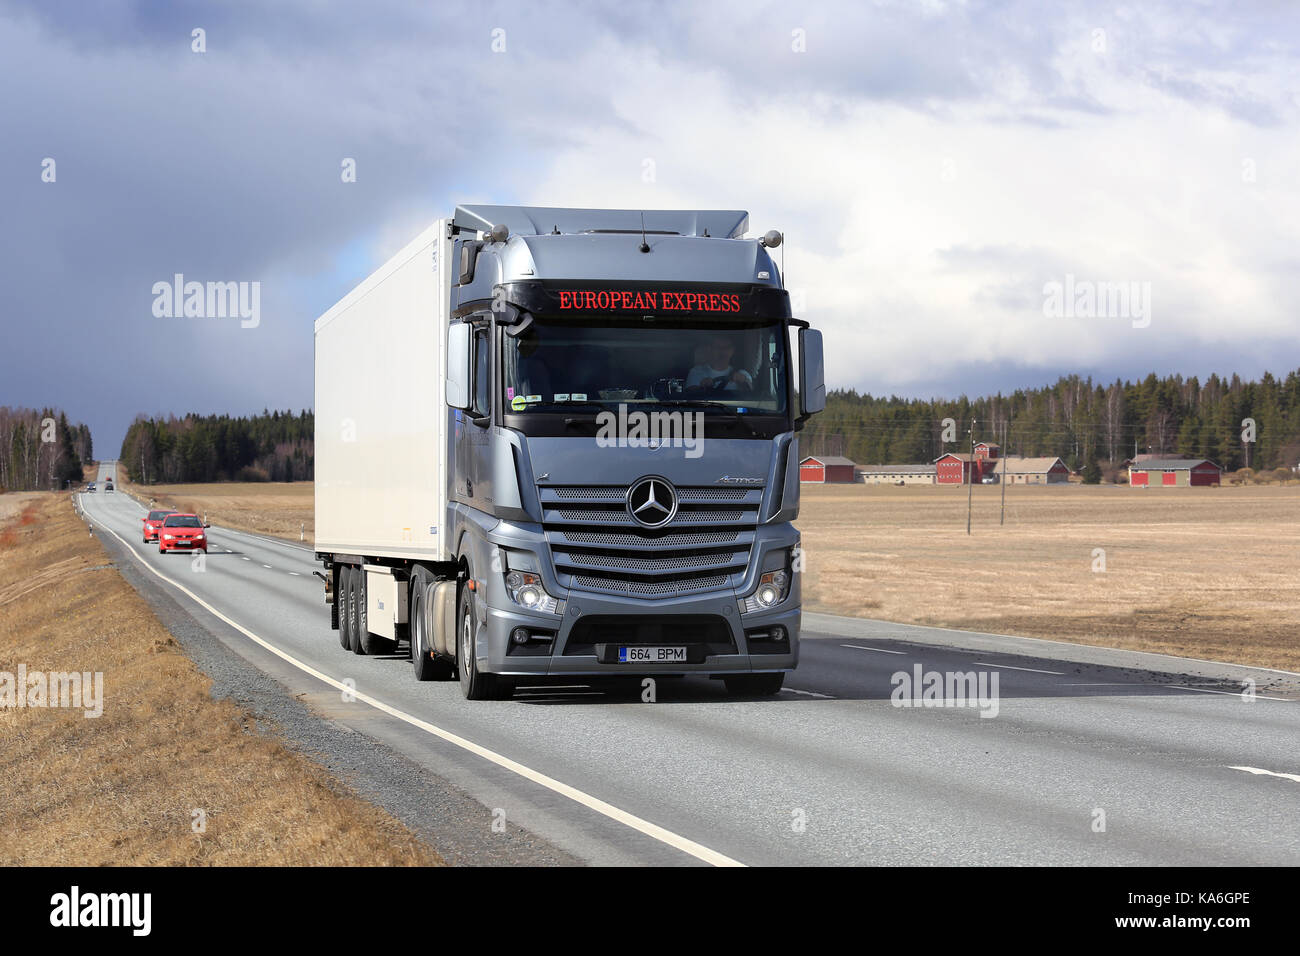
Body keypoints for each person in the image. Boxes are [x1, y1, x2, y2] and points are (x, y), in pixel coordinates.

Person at [685, 334, 752, 393]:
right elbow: (690, 396)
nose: (722, 351)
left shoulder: (743, 374)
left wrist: (744, 381)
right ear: (710, 349)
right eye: (718, 347)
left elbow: (752, 395)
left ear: (732, 350)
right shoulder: (697, 372)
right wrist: (702, 387)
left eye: (726, 348)